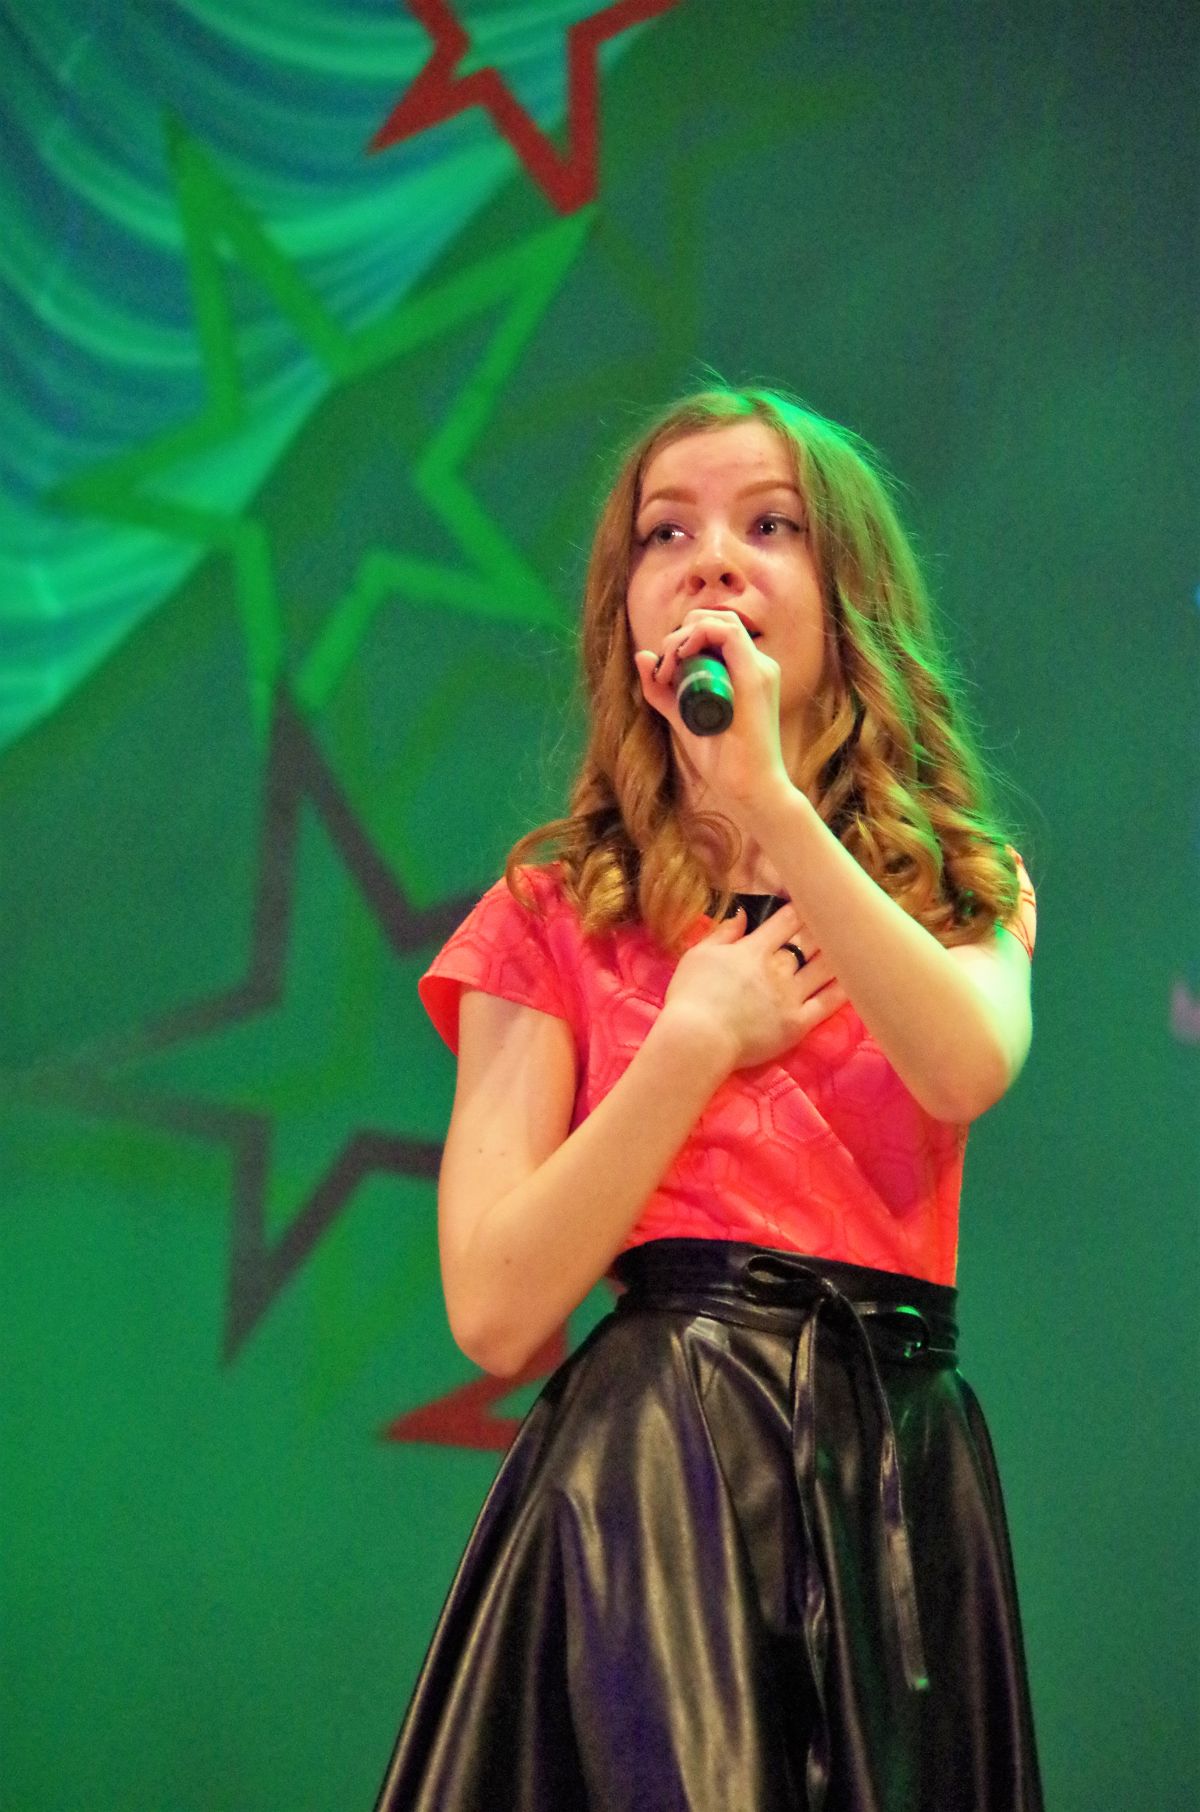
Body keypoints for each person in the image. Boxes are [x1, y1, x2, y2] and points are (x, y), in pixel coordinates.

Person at [372, 387, 1043, 1811]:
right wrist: (690, 1043)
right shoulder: (554, 912)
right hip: (658, 1484)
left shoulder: (953, 883)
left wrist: (776, 813)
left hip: (891, 1479)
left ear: (848, 596)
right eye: (664, 534)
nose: (712, 562)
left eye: (769, 526)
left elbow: (966, 1065)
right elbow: (494, 1308)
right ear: (626, 617)